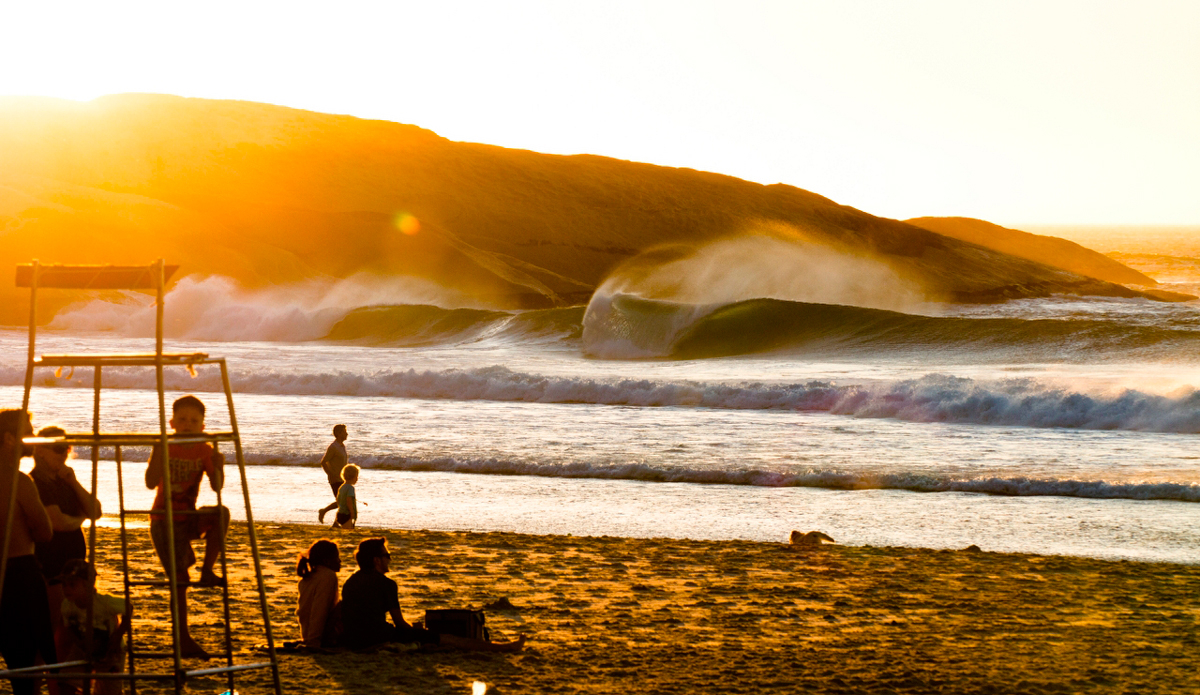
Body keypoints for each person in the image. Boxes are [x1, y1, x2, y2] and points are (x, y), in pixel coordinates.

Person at [144, 395, 229, 659]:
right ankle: (183, 638)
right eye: (182, 420)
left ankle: (207, 570)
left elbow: (216, 487)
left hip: (188, 515)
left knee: (221, 513)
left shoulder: (205, 449)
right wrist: (158, 450)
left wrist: (219, 465)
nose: (187, 424)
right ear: (172, 422)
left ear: (202, 425)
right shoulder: (165, 445)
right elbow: (149, 482)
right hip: (164, 519)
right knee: (179, 582)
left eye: (194, 421)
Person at [340, 538, 525, 652]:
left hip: (351, 638)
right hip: (376, 637)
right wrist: (416, 630)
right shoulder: (387, 584)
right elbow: (399, 624)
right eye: (387, 555)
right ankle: (504, 647)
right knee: (447, 639)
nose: (390, 558)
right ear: (376, 560)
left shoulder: (350, 582)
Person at [0, 409, 57, 695]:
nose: (33, 437)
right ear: (10, 439)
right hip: (17, 572)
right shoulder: (18, 481)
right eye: (28, 431)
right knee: (26, 662)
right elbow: (45, 532)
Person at [30, 426, 103, 630]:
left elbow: (95, 511)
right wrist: (80, 518)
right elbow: (58, 523)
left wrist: (73, 482)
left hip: (75, 564)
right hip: (51, 564)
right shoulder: (36, 483)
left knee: (77, 621)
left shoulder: (64, 481)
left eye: (67, 448)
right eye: (58, 447)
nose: (63, 453)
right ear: (40, 450)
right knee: (57, 622)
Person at [56, 559, 131, 695]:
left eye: (72, 585)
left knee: (109, 691)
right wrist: (79, 643)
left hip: (110, 651)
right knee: (65, 681)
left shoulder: (104, 603)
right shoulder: (67, 606)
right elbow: (69, 627)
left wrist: (118, 634)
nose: (66, 589)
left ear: (87, 585)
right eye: (64, 585)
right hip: (82, 648)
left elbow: (128, 607)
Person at [296, 540, 341, 648]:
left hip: (307, 635)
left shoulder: (307, 578)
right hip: (321, 637)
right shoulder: (328, 576)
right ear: (326, 561)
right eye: (337, 557)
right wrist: (313, 640)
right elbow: (320, 609)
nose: (340, 561)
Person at [317, 425, 348, 524]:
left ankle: (334, 522)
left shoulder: (342, 446)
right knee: (342, 501)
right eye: (344, 432)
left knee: (342, 501)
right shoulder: (333, 447)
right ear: (339, 434)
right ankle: (324, 512)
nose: (346, 434)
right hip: (335, 479)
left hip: (343, 478)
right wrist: (330, 474)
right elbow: (323, 462)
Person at [330, 465, 359, 530]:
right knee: (349, 530)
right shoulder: (350, 488)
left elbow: (338, 499)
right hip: (346, 514)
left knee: (346, 529)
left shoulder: (342, 487)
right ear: (354, 477)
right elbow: (349, 501)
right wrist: (352, 513)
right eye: (357, 476)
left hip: (340, 513)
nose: (357, 479)